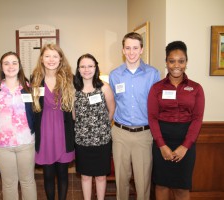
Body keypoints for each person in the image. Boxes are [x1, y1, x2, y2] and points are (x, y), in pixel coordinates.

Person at [148, 41, 205, 200]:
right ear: (166, 62)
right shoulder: (156, 88)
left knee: (182, 187)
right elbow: (152, 117)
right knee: (161, 185)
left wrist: (185, 147)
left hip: (186, 141)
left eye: (181, 61)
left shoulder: (196, 88)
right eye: (172, 61)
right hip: (162, 140)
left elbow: (197, 119)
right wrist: (161, 145)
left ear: (186, 62)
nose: (176, 65)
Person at [109, 32, 160, 200]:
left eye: (135, 48)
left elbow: (157, 105)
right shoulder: (114, 75)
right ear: (123, 50)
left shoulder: (153, 74)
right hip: (120, 133)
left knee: (143, 181)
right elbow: (112, 103)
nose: (131, 52)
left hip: (144, 134)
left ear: (142, 50)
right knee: (121, 180)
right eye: (128, 48)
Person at [0, 52, 37, 200]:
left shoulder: (29, 87)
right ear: (1, 67)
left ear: (19, 66)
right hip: (1, 145)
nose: (11, 66)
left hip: (26, 142)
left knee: (27, 181)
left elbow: (36, 113)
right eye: (6, 63)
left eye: (14, 62)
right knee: (9, 183)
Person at [31, 43, 75, 200]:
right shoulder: (34, 80)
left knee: (63, 174)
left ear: (60, 59)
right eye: (47, 56)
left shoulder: (70, 79)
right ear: (42, 59)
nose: (51, 59)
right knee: (48, 175)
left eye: (55, 56)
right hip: (44, 134)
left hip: (63, 133)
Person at [73, 53, 115, 200]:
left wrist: (100, 126)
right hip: (82, 141)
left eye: (90, 66)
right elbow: (74, 115)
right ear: (78, 69)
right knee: (85, 177)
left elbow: (111, 111)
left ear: (96, 67)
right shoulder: (74, 90)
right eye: (83, 66)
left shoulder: (104, 87)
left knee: (101, 177)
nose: (86, 69)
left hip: (102, 141)